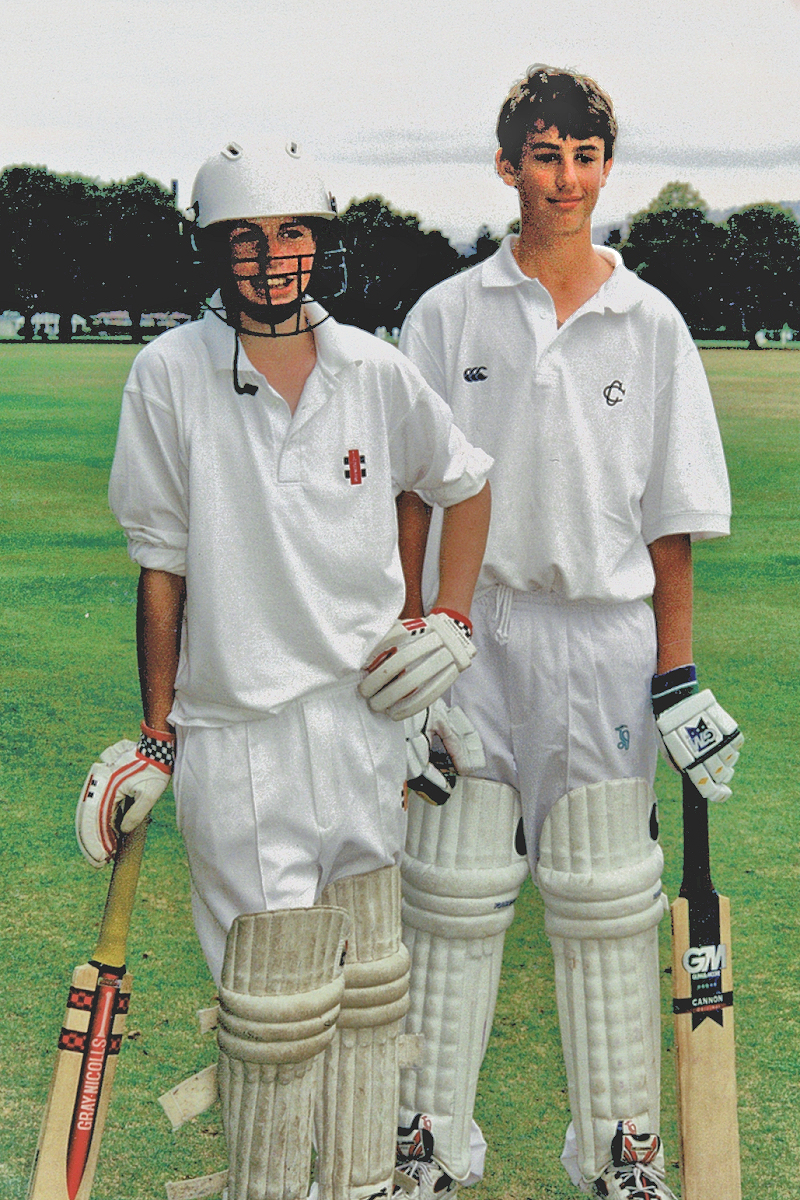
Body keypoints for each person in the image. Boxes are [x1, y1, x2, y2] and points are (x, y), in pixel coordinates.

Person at [74, 138, 493, 1200]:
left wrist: (441, 616)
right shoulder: (167, 372)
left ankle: (359, 1184)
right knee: (271, 1012)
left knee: (366, 1000)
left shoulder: (373, 367)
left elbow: (460, 481)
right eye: (246, 238)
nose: (271, 256)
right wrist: (159, 732)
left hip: (362, 729)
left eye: (292, 232)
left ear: (321, 245)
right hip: (237, 735)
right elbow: (160, 568)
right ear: (214, 253)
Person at [392, 66, 743, 1200]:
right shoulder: (447, 315)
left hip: (603, 634)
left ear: (604, 164)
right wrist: (409, 639)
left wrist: (677, 673)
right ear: (507, 166)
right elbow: (410, 494)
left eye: (585, 155)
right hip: (471, 633)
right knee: (444, 896)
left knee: (603, 901)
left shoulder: (650, 322)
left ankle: (619, 1153)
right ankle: (426, 1147)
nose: (566, 178)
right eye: (544, 155)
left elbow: (671, 517)